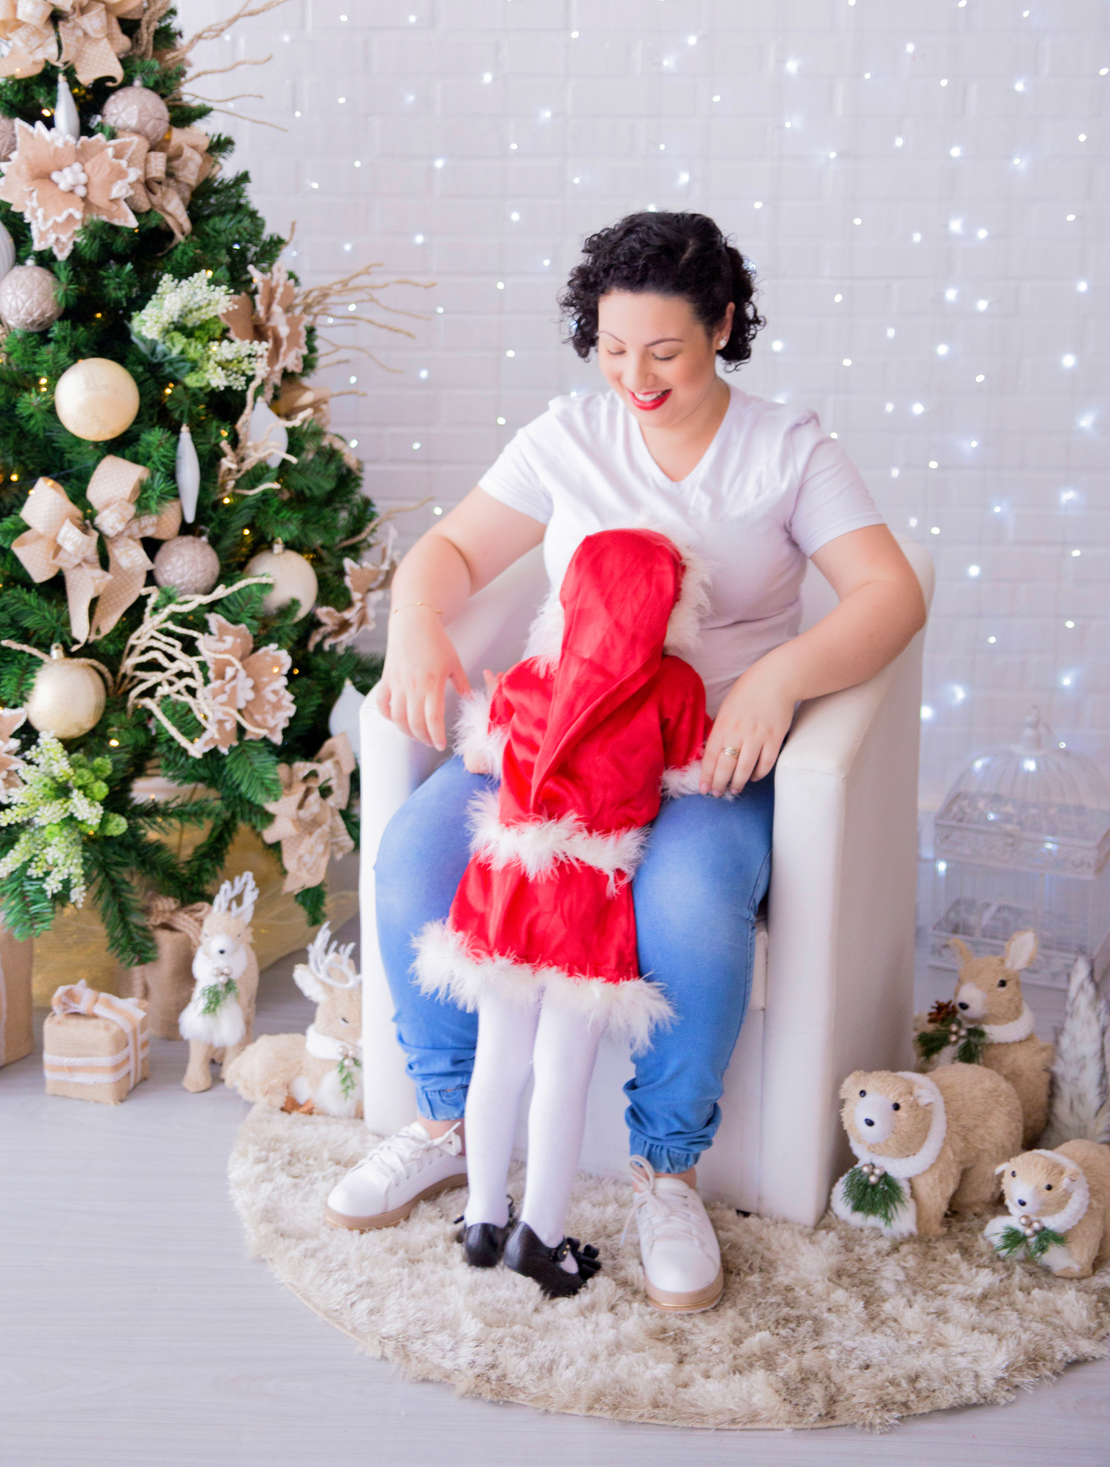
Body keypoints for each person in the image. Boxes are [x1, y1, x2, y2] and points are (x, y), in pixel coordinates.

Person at [325, 209, 927, 1311]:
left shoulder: (788, 448)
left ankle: (668, 1170)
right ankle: (451, 1123)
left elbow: (892, 592)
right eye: (611, 350)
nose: (635, 378)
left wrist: (779, 679)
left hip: (702, 753)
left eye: (665, 351)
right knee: (414, 858)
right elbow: (454, 550)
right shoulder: (568, 435)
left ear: (724, 327)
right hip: (559, 734)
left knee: (693, 898)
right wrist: (416, 614)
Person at [415, 528, 710, 1299]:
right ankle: (539, 1239)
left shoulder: (526, 676)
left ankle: (483, 1219)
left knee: (498, 1056)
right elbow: (689, 772)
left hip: (504, 879)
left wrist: (499, 714)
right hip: (584, 892)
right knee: (562, 1071)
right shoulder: (673, 686)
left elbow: (484, 756)